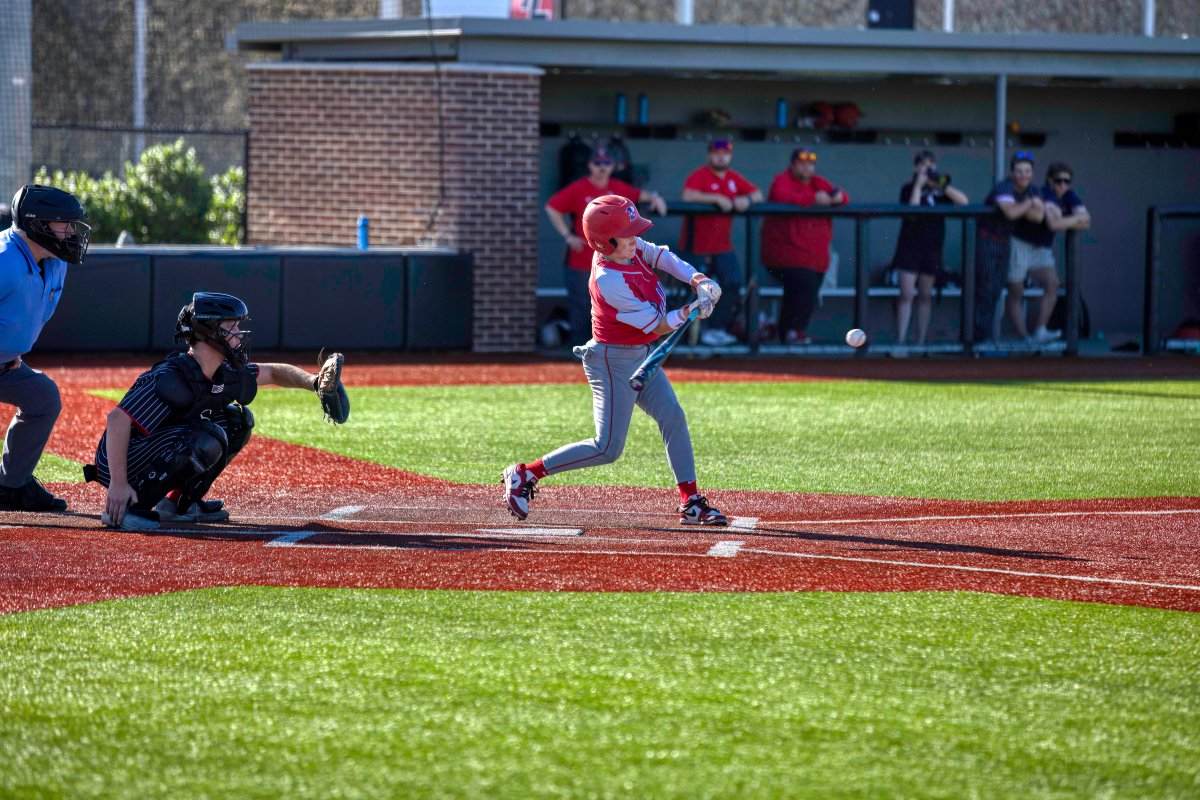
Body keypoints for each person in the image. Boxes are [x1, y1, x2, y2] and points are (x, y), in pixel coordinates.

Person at [503, 195, 729, 528]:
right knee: (607, 448)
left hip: (640, 353)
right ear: (603, 242)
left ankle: (691, 502)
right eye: (626, 234)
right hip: (612, 361)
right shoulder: (609, 280)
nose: (635, 239)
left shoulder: (628, 249)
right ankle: (526, 473)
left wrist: (699, 281)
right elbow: (657, 325)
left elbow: (662, 256)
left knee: (673, 416)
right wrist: (690, 310)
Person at [84, 292, 347, 530]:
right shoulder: (171, 376)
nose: (239, 334)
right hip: (119, 460)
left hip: (154, 448)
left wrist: (314, 382)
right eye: (231, 327)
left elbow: (274, 372)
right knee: (205, 437)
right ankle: (127, 509)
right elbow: (117, 420)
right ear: (209, 332)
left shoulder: (224, 372)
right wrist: (118, 484)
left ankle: (177, 503)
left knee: (237, 421)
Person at [0, 184, 91, 513]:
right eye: (64, 223)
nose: (72, 232)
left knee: (43, 397)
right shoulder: (4, 260)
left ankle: (11, 486)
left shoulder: (55, 261)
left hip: (6, 365)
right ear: (37, 223)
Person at [545, 146, 668, 344]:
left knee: (608, 309)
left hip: (610, 262)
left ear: (612, 166)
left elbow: (639, 195)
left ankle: (602, 347)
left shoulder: (617, 187)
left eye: (606, 163)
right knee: (581, 305)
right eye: (597, 163)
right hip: (581, 259)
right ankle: (577, 348)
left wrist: (655, 197)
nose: (602, 167)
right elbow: (552, 207)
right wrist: (568, 235)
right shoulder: (579, 187)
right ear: (589, 165)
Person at [759, 147, 849, 344]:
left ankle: (787, 332)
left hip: (813, 258)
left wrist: (835, 197)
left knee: (802, 289)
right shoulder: (782, 180)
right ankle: (794, 330)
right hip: (783, 255)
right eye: (802, 163)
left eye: (810, 164)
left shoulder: (817, 182)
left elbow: (843, 197)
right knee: (803, 282)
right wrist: (813, 199)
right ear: (793, 165)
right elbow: (781, 196)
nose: (807, 167)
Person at [680, 137, 763, 346]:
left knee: (732, 282)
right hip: (695, 247)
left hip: (722, 246)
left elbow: (758, 194)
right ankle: (682, 336)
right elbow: (688, 195)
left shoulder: (733, 178)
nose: (721, 157)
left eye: (725, 153)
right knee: (692, 291)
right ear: (709, 155)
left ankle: (716, 329)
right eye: (717, 153)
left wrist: (746, 199)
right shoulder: (700, 175)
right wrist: (715, 198)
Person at [890, 151, 969, 347]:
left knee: (925, 295)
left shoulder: (940, 192)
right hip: (909, 248)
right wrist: (919, 185)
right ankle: (900, 342)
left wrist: (942, 186)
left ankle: (920, 342)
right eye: (924, 165)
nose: (928, 168)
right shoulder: (908, 188)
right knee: (906, 294)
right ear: (916, 167)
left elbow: (963, 202)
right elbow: (912, 211)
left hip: (933, 248)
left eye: (931, 165)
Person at [1006, 161, 1092, 343]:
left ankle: (1040, 330)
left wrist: (1068, 219)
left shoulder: (1069, 195)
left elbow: (1087, 221)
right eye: (1058, 181)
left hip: (1041, 249)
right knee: (1016, 292)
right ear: (1050, 181)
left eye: (1066, 181)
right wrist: (1076, 218)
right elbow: (1054, 224)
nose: (1062, 185)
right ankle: (1024, 338)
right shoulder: (1044, 192)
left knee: (1052, 284)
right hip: (1020, 244)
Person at [973, 152, 1044, 343]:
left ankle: (981, 336)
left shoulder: (1033, 189)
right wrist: (1029, 202)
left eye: (1027, 171)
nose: (1023, 175)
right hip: (987, 240)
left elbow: (1038, 217)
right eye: (1019, 171)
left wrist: (1025, 205)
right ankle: (975, 337)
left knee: (995, 290)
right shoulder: (1004, 186)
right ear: (1012, 173)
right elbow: (1011, 213)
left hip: (1004, 242)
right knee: (985, 289)